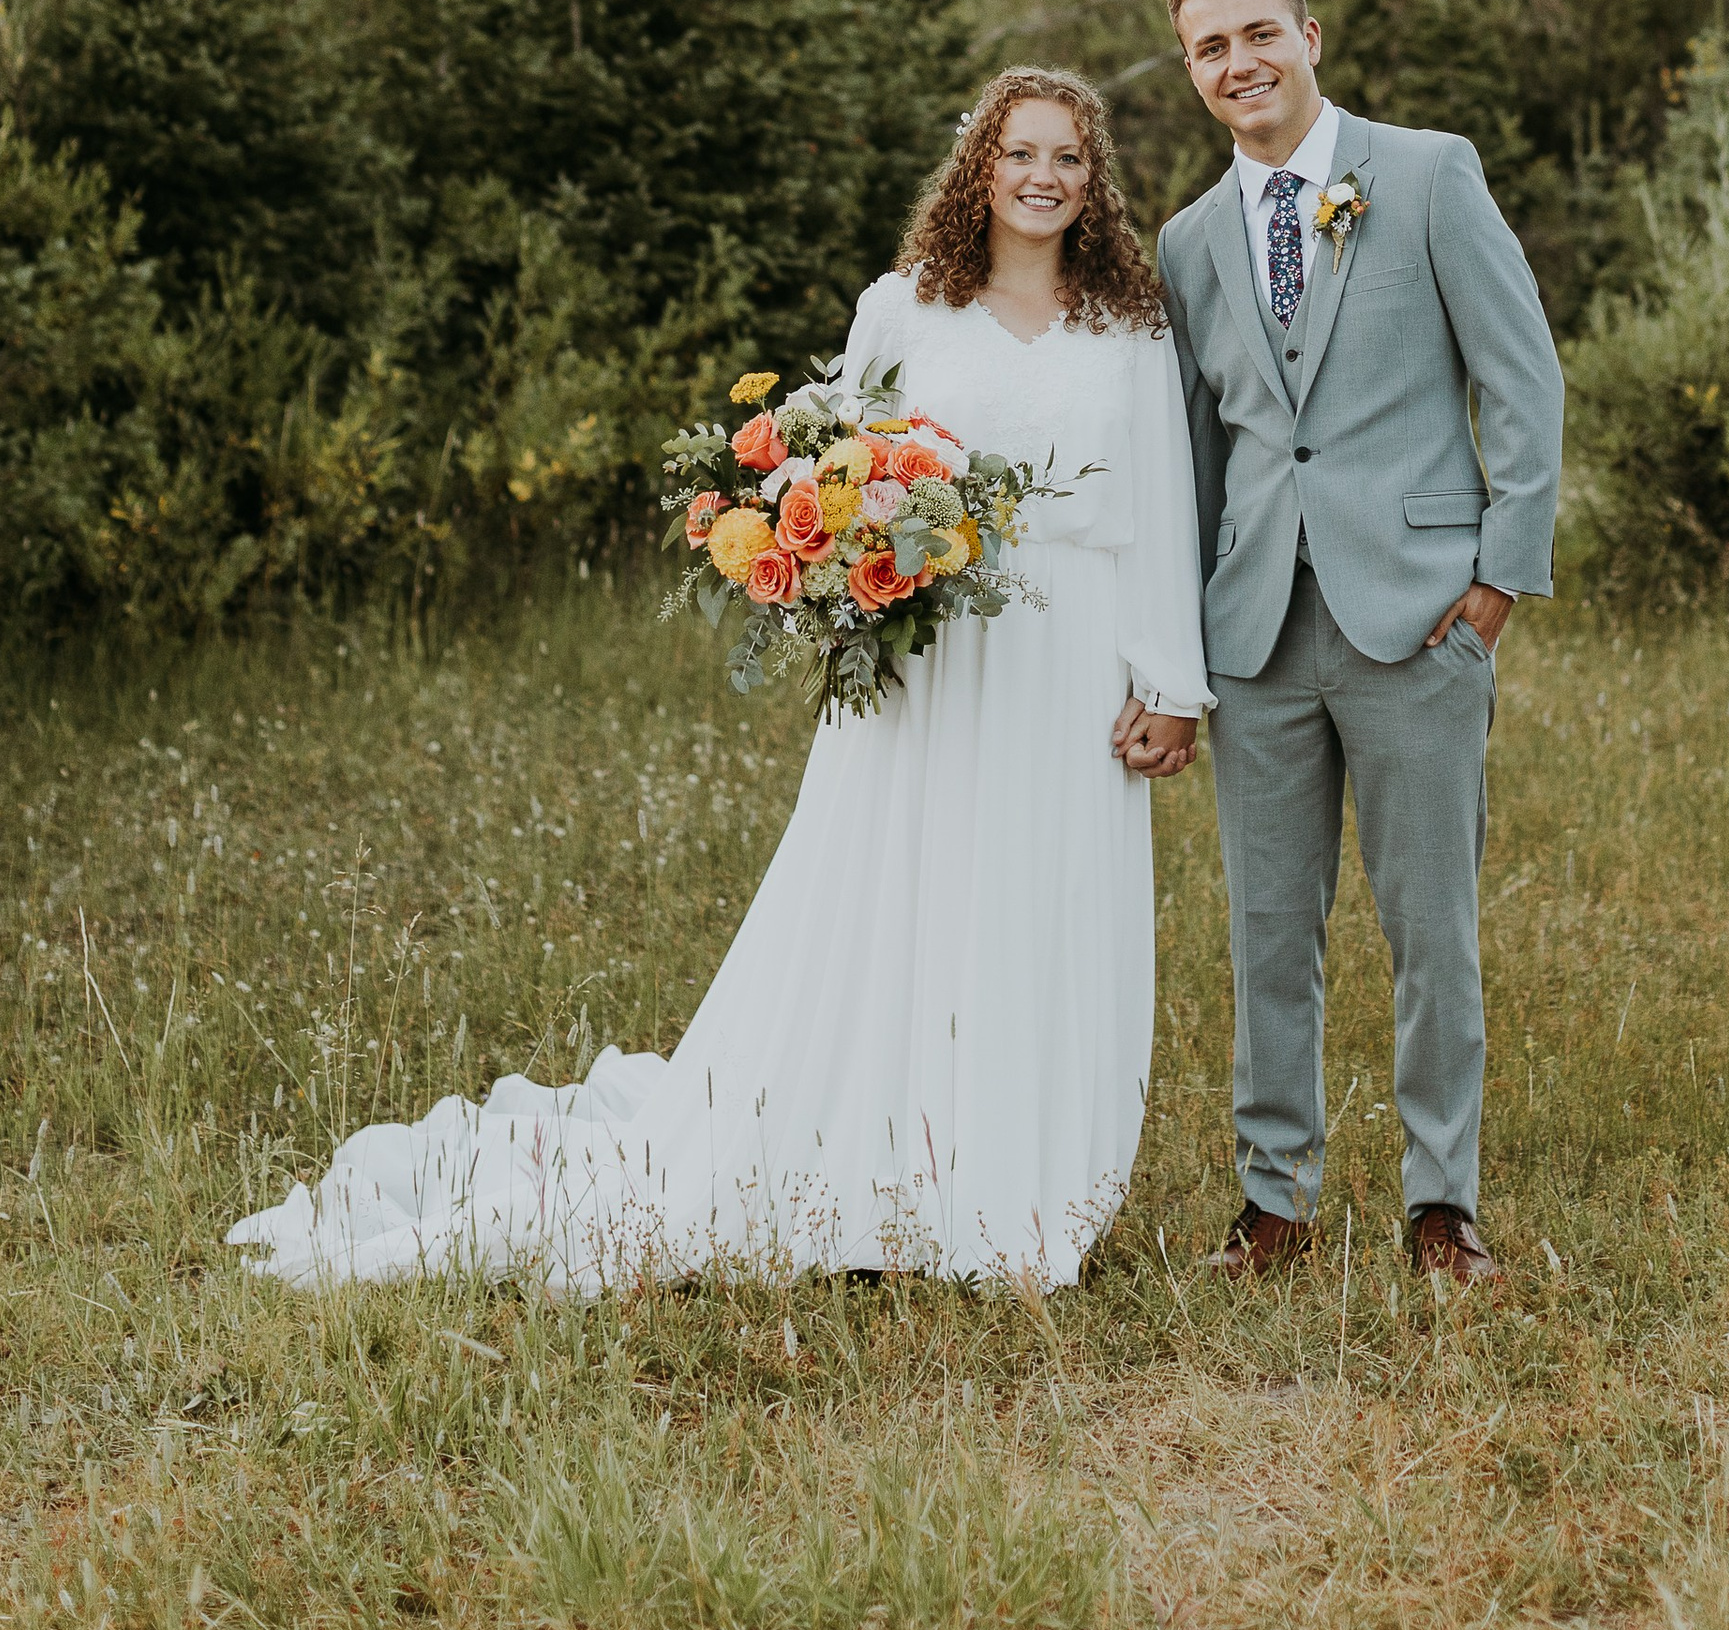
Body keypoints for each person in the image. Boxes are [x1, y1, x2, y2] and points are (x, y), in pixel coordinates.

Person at [228, 69, 1209, 1294]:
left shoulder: (1130, 327)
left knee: (1041, 902)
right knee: (906, 898)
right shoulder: (904, 311)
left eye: (1067, 157)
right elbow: (840, 458)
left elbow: (1166, 508)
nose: (1043, 177)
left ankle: (1020, 1185)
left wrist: (1171, 680)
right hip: (931, 653)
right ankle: (884, 1163)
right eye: (1019, 153)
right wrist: (842, 568)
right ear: (979, 167)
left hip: (1070, 656)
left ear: (1093, 176)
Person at [1155, 0, 1562, 1291]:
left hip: (1421, 620)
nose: (1239, 65)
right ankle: (1276, 1204)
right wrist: (1185, 641)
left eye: (1258, 35)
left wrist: (1495, 590)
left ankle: (1443, 1207)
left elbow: (1525, 383)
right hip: (1259, 633)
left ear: (1310, 36)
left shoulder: (1430, 174)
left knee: (1429, 930)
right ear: (1194, 69)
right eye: (1211, 48)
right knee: (1270, 928)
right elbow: (1203, 462)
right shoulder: (1191, 243)